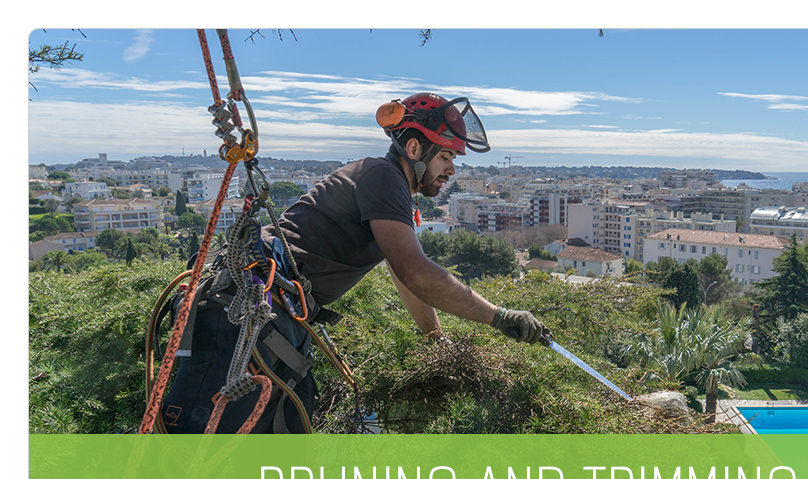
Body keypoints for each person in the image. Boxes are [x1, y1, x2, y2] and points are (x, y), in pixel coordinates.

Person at [160, 92, 545, 434]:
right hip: (250, 313)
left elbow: (402, 273)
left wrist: (433, 339)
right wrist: (499, 316)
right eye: (445, 156)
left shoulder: (391, 189)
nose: (451, 170)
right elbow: (416, 271)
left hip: (269, 314)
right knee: (200, 458)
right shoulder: (383, 177)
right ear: (413, 149)